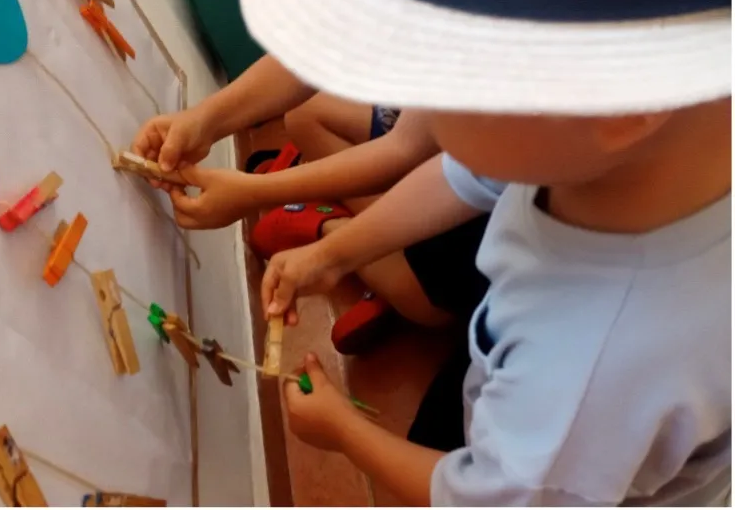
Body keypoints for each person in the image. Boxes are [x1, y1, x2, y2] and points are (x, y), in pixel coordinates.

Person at [234, 0, 731, 506]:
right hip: (512, 380)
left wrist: (344, 431)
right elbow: (469, 174)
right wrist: (334, 255)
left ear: (618, 100)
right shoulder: (595, 146)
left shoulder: (585, 374)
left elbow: (487, 500)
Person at [133, 54, 494, 355]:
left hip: (477, 188)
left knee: (427, 307)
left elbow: (409, 155)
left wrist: (259, 193)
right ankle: (345, 223)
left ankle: (328, 223)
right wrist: (205, 120)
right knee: (307, 116)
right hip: (438, 143)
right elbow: (320, 46)